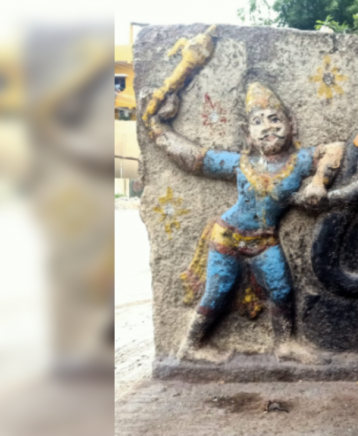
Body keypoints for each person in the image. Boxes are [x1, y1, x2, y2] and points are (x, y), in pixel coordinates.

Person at [146, 82, 343, 361]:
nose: (268, 127)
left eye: (275, 119)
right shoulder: (241, 164)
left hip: (264, 241)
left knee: (282, 289)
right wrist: (157, 129)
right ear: (247, 133)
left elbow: (335, 148)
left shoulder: (299, 162)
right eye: (258, 122)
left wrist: (319, 183)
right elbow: (193, 159)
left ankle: (284, 344)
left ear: (292, 124)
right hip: (228, 235)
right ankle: (190, 346)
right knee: (218, 291)